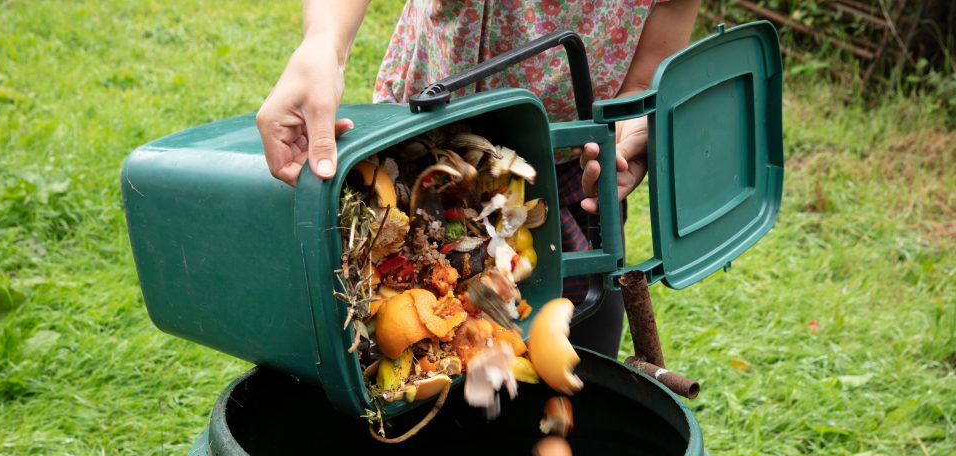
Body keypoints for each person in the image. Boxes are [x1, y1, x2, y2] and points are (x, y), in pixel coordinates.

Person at [256, 0, 700, 357]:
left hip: (569, 173)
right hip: (416, 153)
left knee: (578, 356)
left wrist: (630, 123)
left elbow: (653, 56)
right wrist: (323, 43)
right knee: (388, 340)